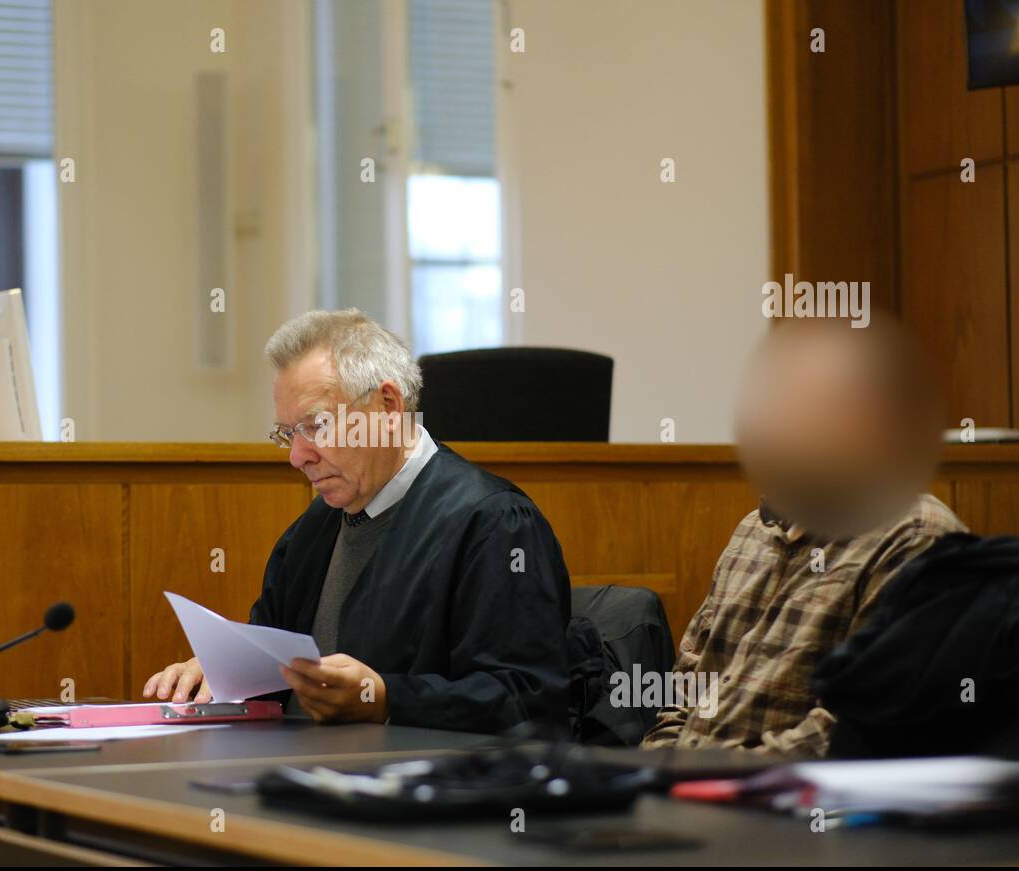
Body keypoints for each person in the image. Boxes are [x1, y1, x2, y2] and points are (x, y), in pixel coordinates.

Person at [144, 309, 571, 733]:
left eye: (317, 425)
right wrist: (224, 674)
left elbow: (526, 700)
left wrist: (384, 699)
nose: (297, 457)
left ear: (388, 407)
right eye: (287, 434)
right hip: (294, 765)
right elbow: (274, 663)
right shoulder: (314, 528)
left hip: (424, 774)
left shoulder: (495, 523)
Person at [642, 317, 966, 756]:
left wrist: (711, 782)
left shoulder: (915, 536)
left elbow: (855, 728)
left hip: (789, 792)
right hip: (692, 783)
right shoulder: (752, 530)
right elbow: (684, 694)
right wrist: (656, 769)